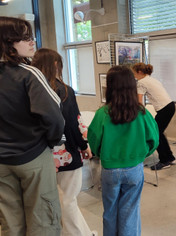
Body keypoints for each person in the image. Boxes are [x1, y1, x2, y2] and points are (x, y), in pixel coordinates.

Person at [0, 16, 65, 235]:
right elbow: (54, 117)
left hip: (1, 162)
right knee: (43, 220)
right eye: (24, 37)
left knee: (10, 222)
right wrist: (52, 142)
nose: (32, 42)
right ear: (8, 42)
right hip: (32, 156)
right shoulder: (29, 73)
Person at [32, 48, 97, 236]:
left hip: (38, 154)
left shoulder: (29, 88)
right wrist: (84, 146)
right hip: (65, 153)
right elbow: (73, 123)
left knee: (51, 200)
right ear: (55, 65)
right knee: (69, 199)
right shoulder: (64, 90)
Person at [88, 66, 159, 236]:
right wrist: (141, 154)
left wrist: (103, 154)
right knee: (130, 212)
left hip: (110, 169)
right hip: (134, 168)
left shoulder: (102, 113)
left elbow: (93, 140)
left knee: (110, 212)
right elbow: (154, 139)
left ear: (110, 86)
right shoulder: (141, 113)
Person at [132, 62, 176, 170]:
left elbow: (139, 102)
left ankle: (165, 160)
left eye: (134, 73)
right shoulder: (152, 79)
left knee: (155, 134)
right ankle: (169, 157)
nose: (134, 76)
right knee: (159, 132)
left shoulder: (141, 82)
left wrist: (139, 114)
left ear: (139, 72)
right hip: (170, 106)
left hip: (164, 108)